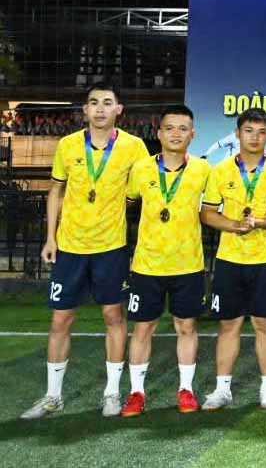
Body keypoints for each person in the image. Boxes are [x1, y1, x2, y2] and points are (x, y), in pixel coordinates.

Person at [22, 83, 149, 420]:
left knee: (113, 317)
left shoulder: (134, 148)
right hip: (71, 248)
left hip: (111, 248)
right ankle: (52, 396)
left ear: (119, 110)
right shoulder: (67, 145)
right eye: (94, 103)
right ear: (85, 110)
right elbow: (55, 191)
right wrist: (51, 238)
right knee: (61, 319)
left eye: (108, 103)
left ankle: (111, 393)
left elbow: (141, 194)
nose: (100, 109)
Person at [120, 105, 212, 416]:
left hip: (188, 264)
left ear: (192, 134)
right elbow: (127, 203)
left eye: (183, 128)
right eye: (169, 128)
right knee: (143, 328)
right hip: (147, 265)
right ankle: (136, 393)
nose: (176, 133)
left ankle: (186, 389)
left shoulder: (203, 170)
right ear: (158, 133)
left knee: (186, 326)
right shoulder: (141, 169)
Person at [200, 108, 266, 409]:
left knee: (264, 324)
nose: (255, 137)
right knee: (229, 324)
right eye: (249, 131)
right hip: (230, 258)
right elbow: (208, 213)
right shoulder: (220, 170)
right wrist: (234, 225)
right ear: (237, 134)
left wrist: (262, 223)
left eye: (261, 132)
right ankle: (222, 388)